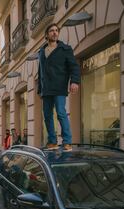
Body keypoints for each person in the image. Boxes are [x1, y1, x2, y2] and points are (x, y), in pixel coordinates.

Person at [38, 23, 80, 152]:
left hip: (59, 87)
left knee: (61, 113)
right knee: (47, 115)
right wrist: (40, 88)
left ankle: (67, 142)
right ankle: (52, 141)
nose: (55, 33)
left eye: (56, 30)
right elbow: (41, 72)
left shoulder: (65, 49)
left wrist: (74, 81)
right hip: (46, 89)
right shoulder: (41, 51)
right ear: (47, 34)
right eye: (51, 31)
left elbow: (74, 66)